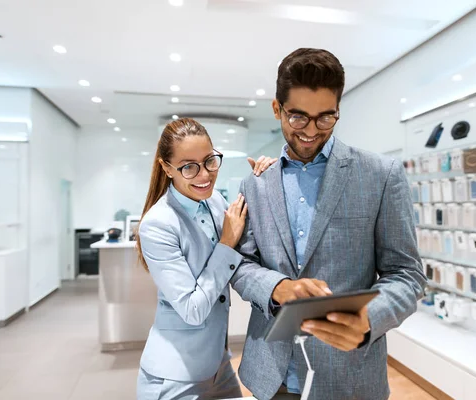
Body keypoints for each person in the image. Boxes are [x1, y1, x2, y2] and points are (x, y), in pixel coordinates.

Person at [230, 48, 427, 400]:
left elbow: (408, 274)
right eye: (298, 117)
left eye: (325, 118)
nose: (310, 131)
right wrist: (277, 288)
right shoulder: (255, 184)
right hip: (271, 375)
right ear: (277, 109)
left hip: (349, 376)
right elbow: (241, 263)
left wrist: (369, 318)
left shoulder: (381, 175)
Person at [135, 118, 276, 400]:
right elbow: (192, 309)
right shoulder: (158, 224)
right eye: (189, 166)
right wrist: (226, 243)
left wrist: (268, 182)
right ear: (166, 168)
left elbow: (250, 243)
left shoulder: (215, 203)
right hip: (174, 375)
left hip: (218, 364)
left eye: (210, 160)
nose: (204, 175)